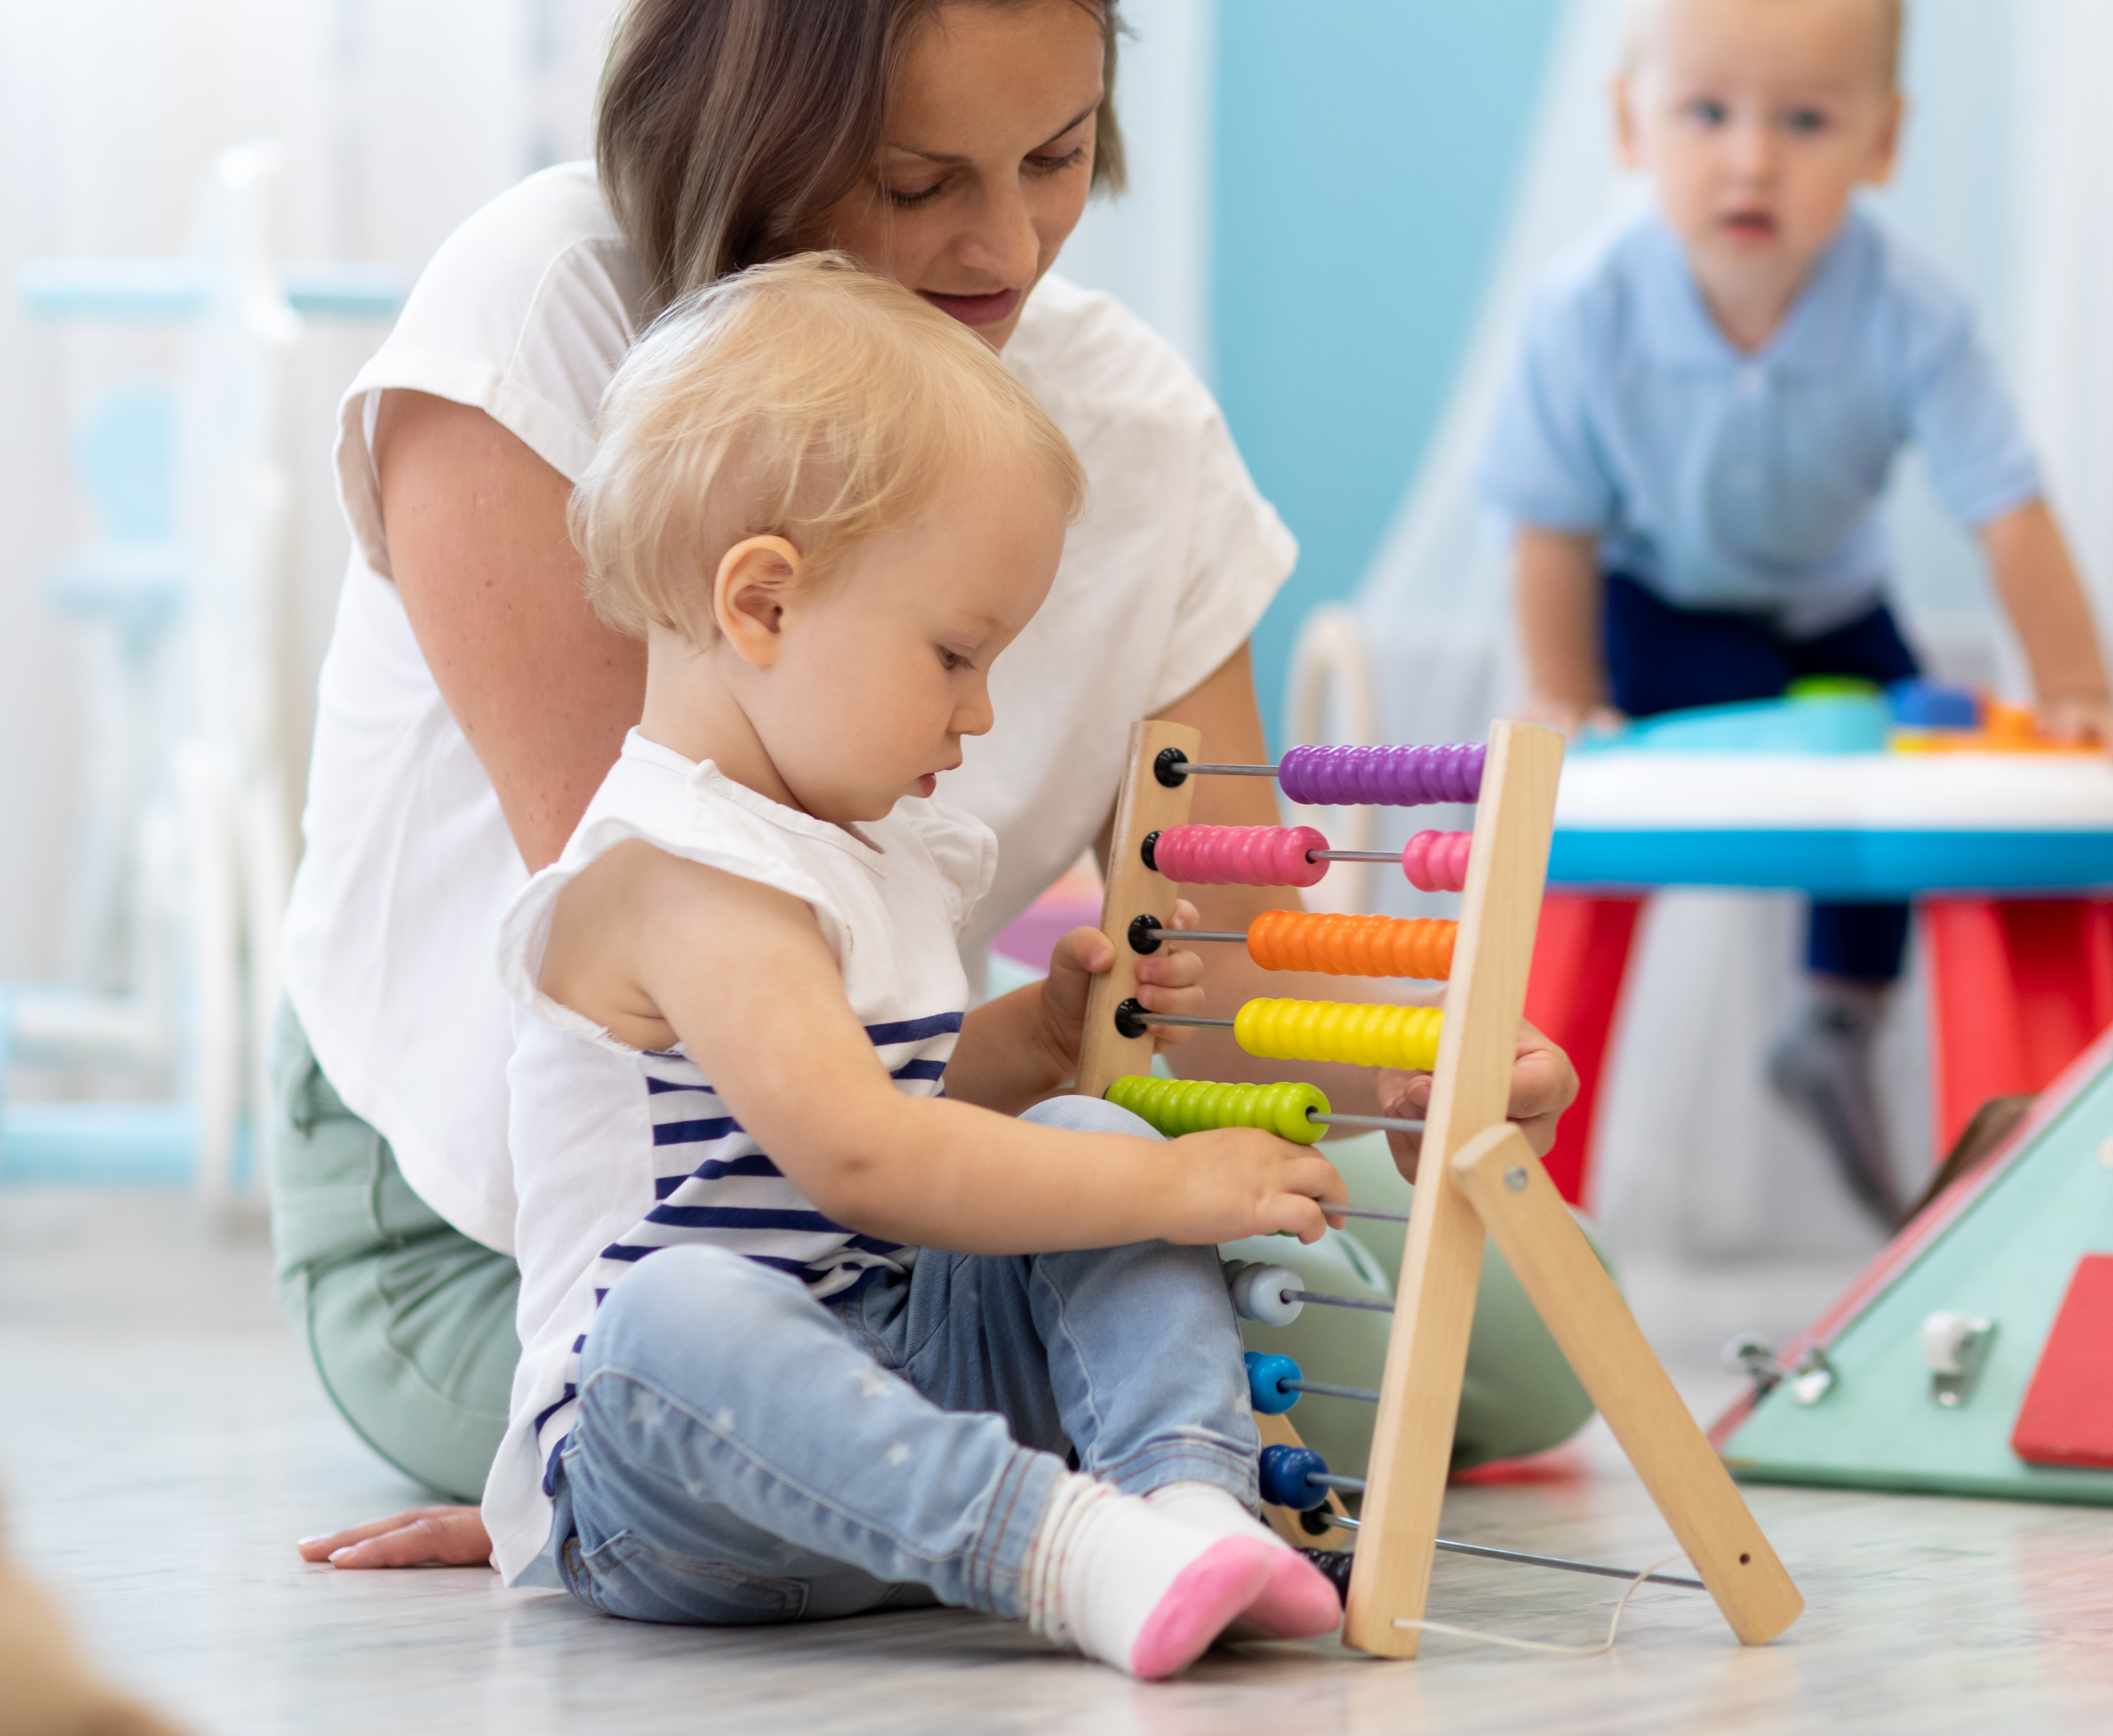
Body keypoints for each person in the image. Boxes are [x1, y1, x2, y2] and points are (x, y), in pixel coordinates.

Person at [281, 0, 1589, 1572]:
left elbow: (1213, 984)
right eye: (916, 183)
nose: (1009, 248)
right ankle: (995, 1509)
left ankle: (1115, 1493)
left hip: (901, 1157)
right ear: (753, 135)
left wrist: (1379, 1072)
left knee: (1516, 1341)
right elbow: (721, 1055)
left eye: (1054, 156)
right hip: (546, 1209)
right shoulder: (549, 307)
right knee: (723, 1343)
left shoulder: (1128, 424)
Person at [486, 251, 1348, 1674]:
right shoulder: (676, 875)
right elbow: (867, 1158)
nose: (983, 710)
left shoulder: (860, 845)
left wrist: (1043, 1035)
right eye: (956, 654)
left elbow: (914, 1082)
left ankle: (1190, 1504)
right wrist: (1180, 1180)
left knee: (1081, 1125)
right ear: (762, 605)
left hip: (878, 1401)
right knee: (676, 1311)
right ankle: (1063, 1551)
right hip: (673, 1485)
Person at [1477, 0, 2113, 1226]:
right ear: (1631, 125)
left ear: (1880, 144)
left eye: (1804, 120)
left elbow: (2008, 507)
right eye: (1707, 114)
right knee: (1665, 768)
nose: (1750, 158)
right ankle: (1536, 1104)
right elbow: (1548, 524)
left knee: (1898, 762)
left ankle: (1837, 1017)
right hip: (1657, 602)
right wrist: (1562, 685)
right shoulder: (1584, 306)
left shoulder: (1912, 311)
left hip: (1835, 606)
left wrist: (2079, 692)